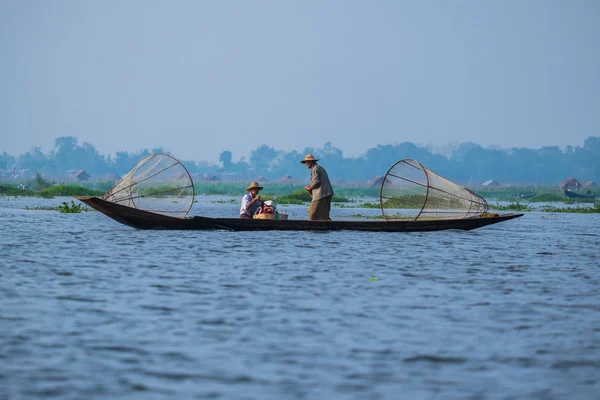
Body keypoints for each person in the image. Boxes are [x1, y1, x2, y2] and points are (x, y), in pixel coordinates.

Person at [301, 154, 334, 220]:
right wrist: (311, 192)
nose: (306, 164)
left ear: (311, 161)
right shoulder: (319, 168)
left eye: (307, 162)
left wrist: (309, 188)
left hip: (321, 195)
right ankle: (328, 227)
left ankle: (313, 228)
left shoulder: (315, 168)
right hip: (326, 194)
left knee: (312, 214)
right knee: (324, 215)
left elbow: (316, 182)